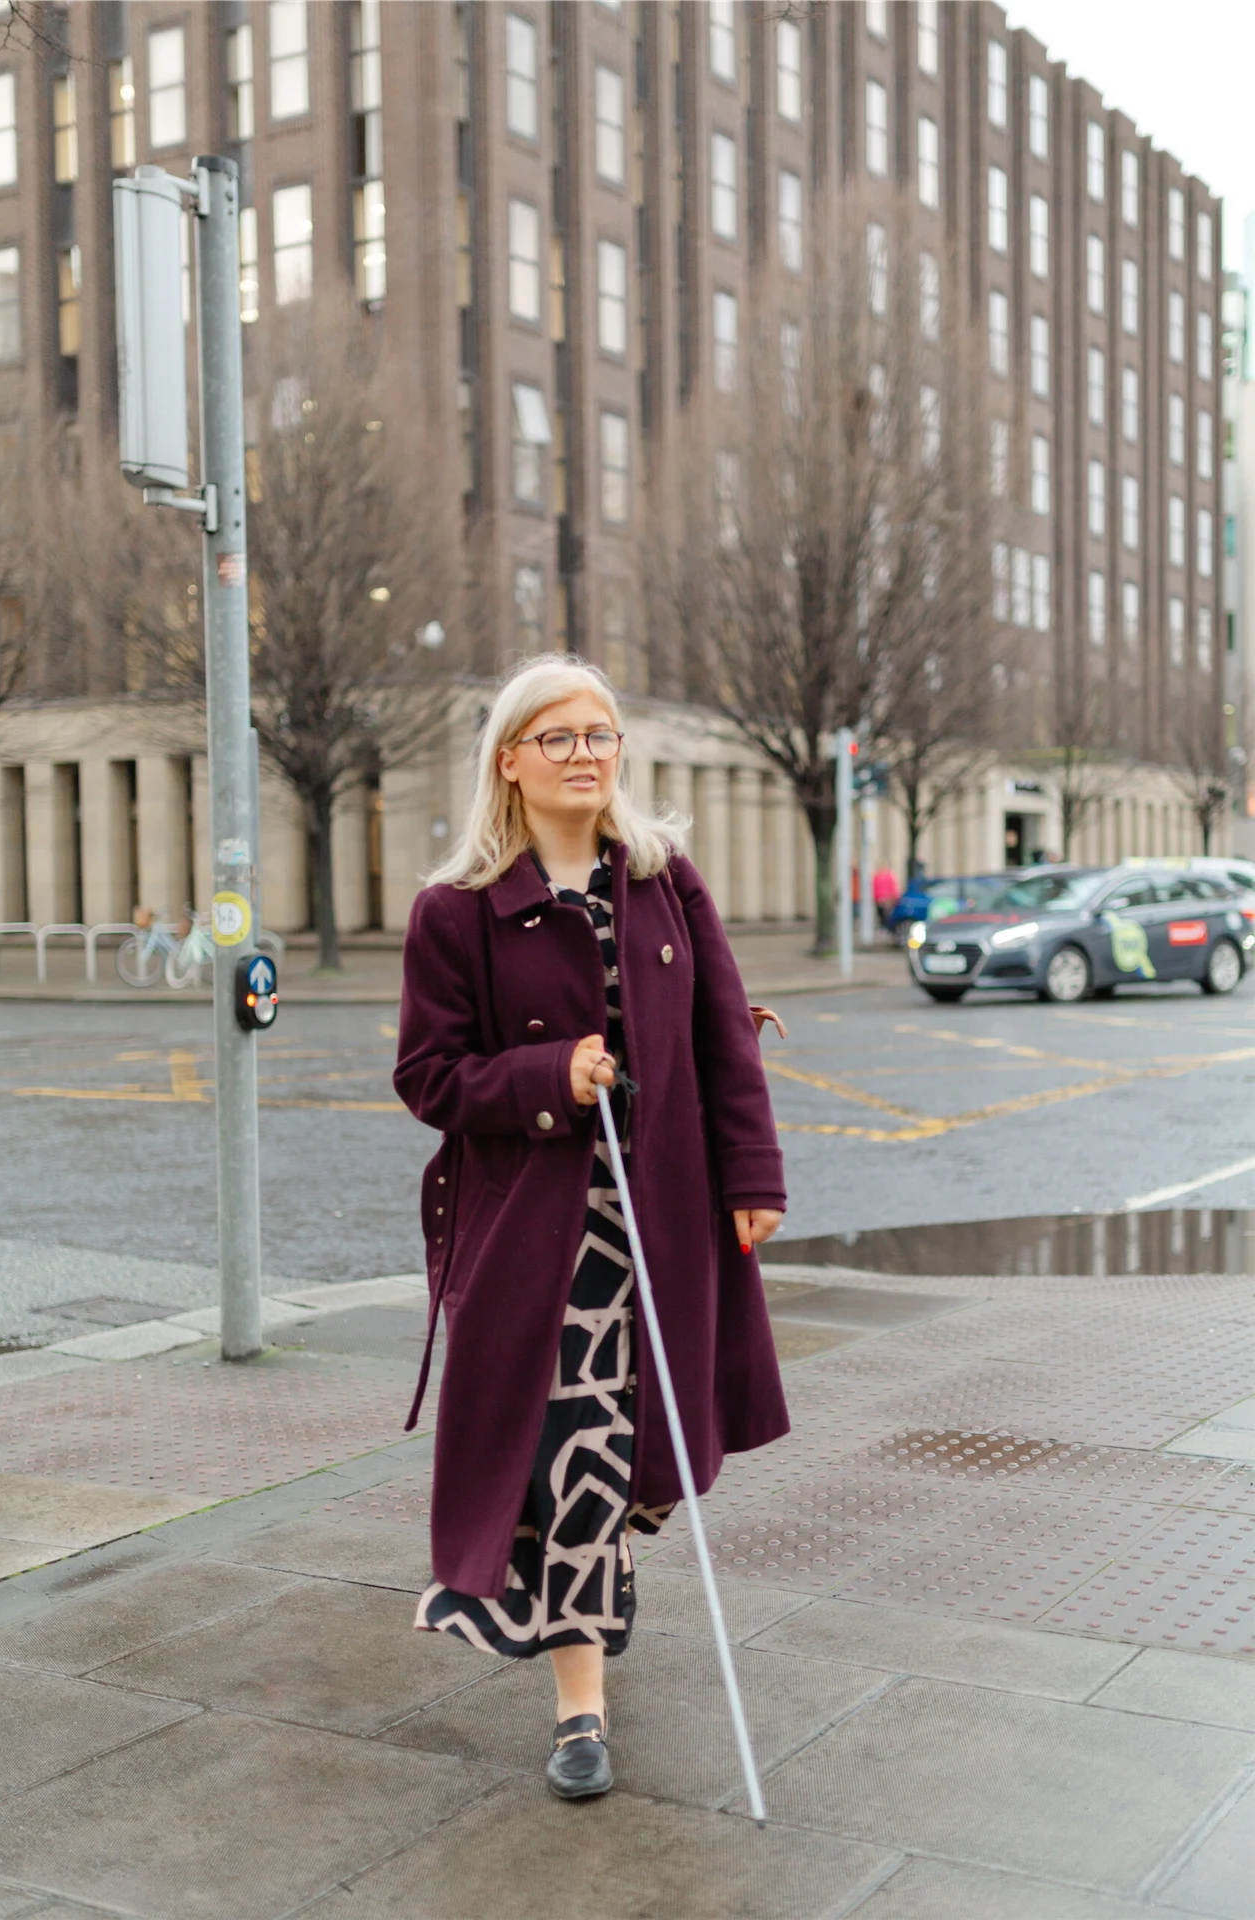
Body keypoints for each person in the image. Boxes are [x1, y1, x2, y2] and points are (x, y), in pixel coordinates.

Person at [394, 654, 789, 1803]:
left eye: (599, 733)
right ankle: (580, 1708)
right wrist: (542, 1078)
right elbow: (427, 1076)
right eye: (556, 736)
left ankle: (596, 1582)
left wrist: (752, 1176)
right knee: (573, 1453)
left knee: (636, 1454)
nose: (583, 754)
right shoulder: (454, 910)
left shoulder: (664, 884)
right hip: (539, 1244)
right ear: (509, 761)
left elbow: (723, 1041)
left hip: (664, 1227)